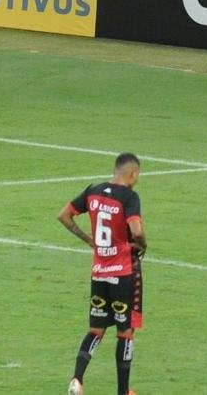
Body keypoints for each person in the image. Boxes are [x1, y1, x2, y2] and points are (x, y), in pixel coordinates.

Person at [58, 152, 146, 395]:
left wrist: (88, 239)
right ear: (133, 173)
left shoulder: (93, 191)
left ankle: (77, 380)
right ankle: (123, 391)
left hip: (99, 272)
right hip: (124, 274)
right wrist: (143, 244)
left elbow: (63, 215)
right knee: (125, 332)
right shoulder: (130, 197)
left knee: (96, 329)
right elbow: (136, 230)